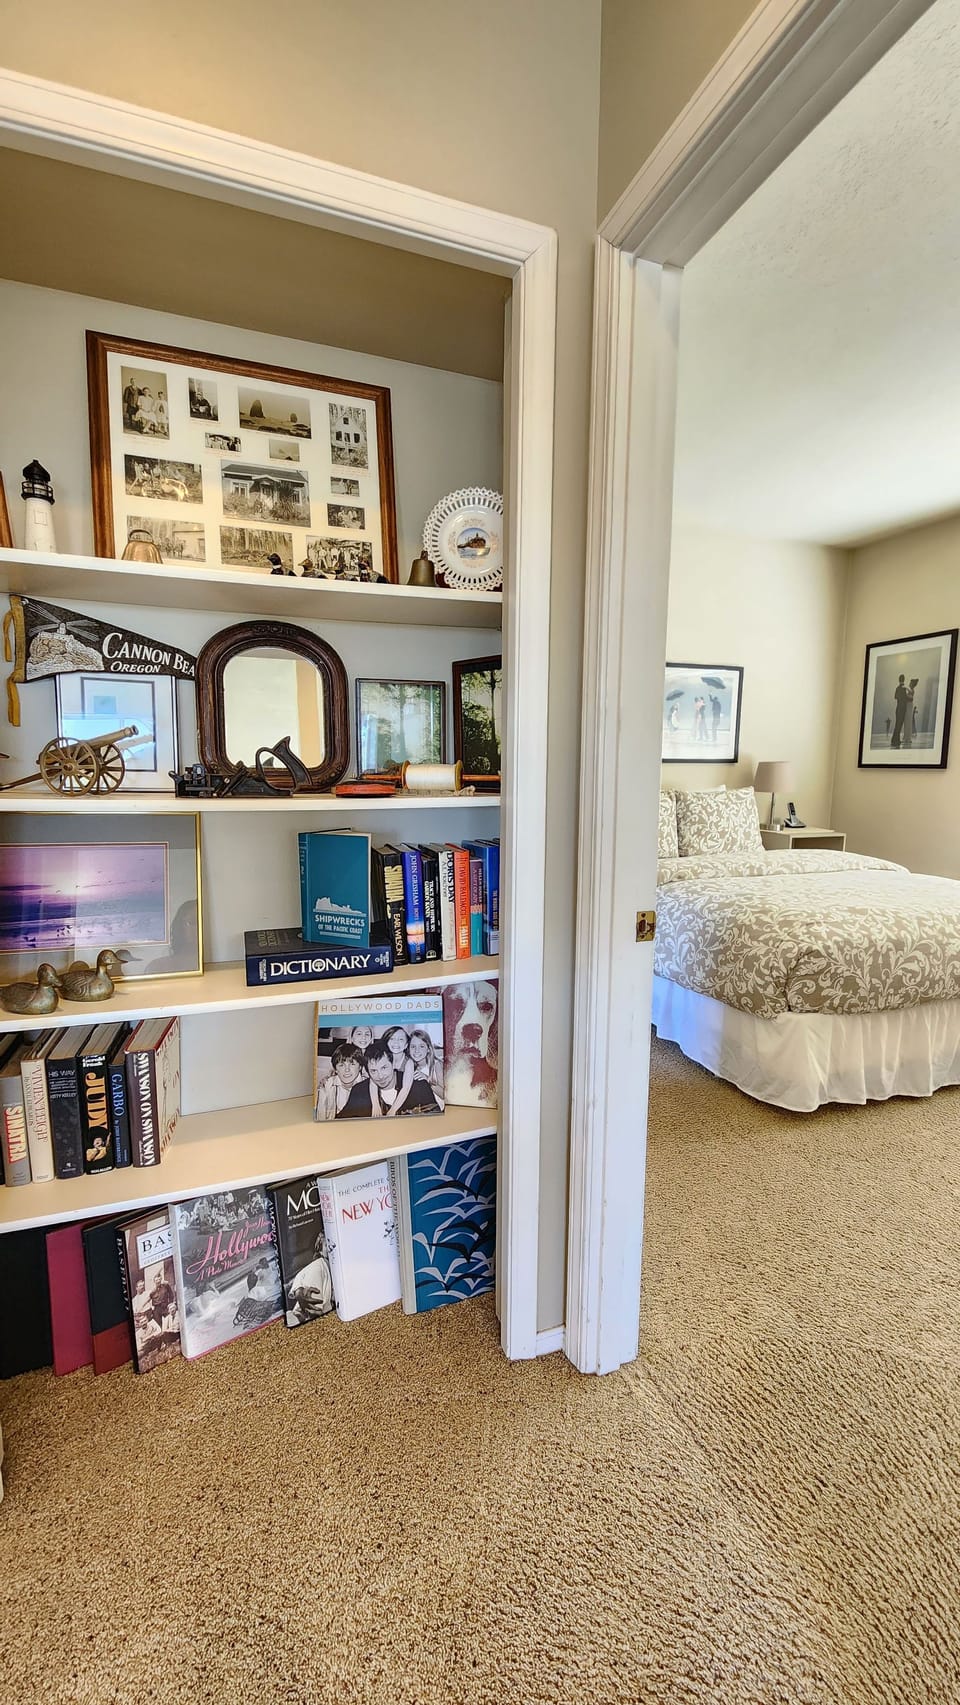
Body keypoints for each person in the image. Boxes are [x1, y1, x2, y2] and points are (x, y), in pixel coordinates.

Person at [388, 1028, 442, 1117]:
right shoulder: (410, 1065)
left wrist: (428, 1079)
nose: (417, 1050)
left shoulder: (436, 1065)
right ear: (408, 1048)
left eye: (421, 1046)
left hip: (434, 1109)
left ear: (428, 1048)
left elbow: (444, 1095)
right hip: (416, 1108)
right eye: (413, 1046)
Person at [317, 1041, 365, 1118]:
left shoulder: (368, 1086)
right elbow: (321, 1116)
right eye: (341, 1065)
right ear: (335, 1069)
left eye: (352, 1064)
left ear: (360, 1067)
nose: (347, 1069)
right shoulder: (327, 1085)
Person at [891, 673, 909, 747]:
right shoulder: (904, 688)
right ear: (903, 680)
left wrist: (900, 698)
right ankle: (896, 740)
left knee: (897, 724)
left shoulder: (898, 688)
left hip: (898, 708)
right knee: (899, 724)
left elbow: (895, 697)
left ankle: (895, 739)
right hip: (902, 709)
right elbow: (906, 698)